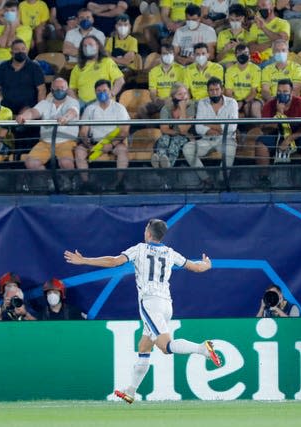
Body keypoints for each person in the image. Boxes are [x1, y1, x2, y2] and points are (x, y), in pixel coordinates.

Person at [64, 218, 222, 404]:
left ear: (148, 233)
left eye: (146, 228)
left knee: (165, 346)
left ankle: (201, 348)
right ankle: (131, 391)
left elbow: (114, 261)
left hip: (150, 303)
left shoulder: (139, 249)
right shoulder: (170, 253)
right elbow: (196, 267)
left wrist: (84, 260)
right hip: (166, 305)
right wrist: (207, 265)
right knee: (144, 346)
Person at [258, 78, 301, 185]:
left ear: (291, 92)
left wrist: (289, 139)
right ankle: (263, 179)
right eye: (279, 92)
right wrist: (279, 114)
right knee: (261, 144)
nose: (282, 94)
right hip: (276, 134)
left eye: (285, 92)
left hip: (299, 133)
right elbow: (264, 128)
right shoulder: (270, 103)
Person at [183, 77, 238, 191]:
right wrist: (217, 128)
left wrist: (209, 124)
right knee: (187, 148)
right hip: (207, 139)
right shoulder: (202, 103)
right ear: (208, 91)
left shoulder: (232, 103)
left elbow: (232, 127)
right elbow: (198, 127)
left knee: (230, 148)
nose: (214, 93)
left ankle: (222, 181)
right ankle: (207, 180)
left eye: (217, 89)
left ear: (222, 90)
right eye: (211, 90)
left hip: (226, 139)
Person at [17, 77, 80, 174]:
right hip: (45, 142)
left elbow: (72, 112)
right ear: (51, 90)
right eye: (56, 88)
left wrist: (65, 118)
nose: (59, 90)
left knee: (66, 163)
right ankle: (48, 182)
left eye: (62, 88)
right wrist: (23, 116)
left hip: (67, 141)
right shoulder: (45, 103)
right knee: (31, 163)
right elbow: (33, 112)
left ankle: (70, 185)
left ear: (67, 90)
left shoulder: (72, 102)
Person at [76, 79, 130, 192]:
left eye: (104, 90)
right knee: (79, 151)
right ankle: (86, 184)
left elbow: (124, 131)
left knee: (122, 151)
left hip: (114, 143)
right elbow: (83, 132)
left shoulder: (119, 108)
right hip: (94, 143)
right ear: (95, 92)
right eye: (99, 91)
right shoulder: (90, 109)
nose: (102, 93)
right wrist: (88, 144)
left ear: (110, 91)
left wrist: (111, 144)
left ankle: (120, 184)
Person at [68, 35, 125, 105]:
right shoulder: (77, 67)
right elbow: (71, 89)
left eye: (90, 44)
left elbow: (120, 80)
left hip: (104, 103)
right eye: (85, 46)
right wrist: (76, 103)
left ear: (98, 46)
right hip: (84, 105)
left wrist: (111, 94)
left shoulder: (107, 62)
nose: (87, 47)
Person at [152, 82, 195, 169]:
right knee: (164, 139)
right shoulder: (167, 108)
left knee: (175, 141)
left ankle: (166, 166)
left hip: (187, 137)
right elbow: (164, 129)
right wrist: (176, 132)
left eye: (185, 93)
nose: (183, 97)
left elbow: (184, 130)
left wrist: (182, 108)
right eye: (180, 94)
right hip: (172, 135)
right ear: (173, 97)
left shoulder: (191, 106)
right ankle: (159, 161)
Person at [224, 44, 262, 118]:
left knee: (247, 107)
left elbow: (254, 92)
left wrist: (243, 102)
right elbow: (228, 92)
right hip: (235, 100)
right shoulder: (230, 70)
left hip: (251, 99)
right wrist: (234, 103)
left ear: (249, 55)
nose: (243, 55)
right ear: (235, 55)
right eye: (240, 53)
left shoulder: (255, 69)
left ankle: (251, 128)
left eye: (245, 53)